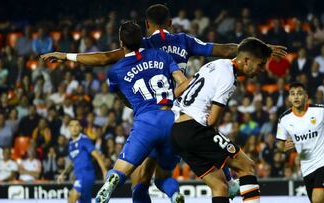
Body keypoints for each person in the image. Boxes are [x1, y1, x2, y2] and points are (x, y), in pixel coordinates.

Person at [41, 4, 286, 201]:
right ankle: (226, 182)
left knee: (141, 178)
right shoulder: (183, 41)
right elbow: (224, 50)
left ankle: (222, 184)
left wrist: (66, 56)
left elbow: (105, 58)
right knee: (200, 147)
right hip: (180, 111)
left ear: (147, 26)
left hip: (150, 113)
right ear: (170, 23)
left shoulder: (144, 46)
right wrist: (260, 50)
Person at [95, 21, 189, 203]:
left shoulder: (115, 71)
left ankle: (111, 182)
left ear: (121, 43)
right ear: (142, 39)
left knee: (125, 171)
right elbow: (183, 82)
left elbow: (125, 99)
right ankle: (175, 195)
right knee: (163, 175)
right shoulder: (161, 55)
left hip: (146, 122)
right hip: (170, 118)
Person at [171, 37, 272, 203]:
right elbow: (211, 121)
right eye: (260, 64)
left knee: (220, 187)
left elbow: (184, 86)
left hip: (176, 131)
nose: (262, 70)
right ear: (246, 60)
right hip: (194, 129)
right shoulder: (229, 78)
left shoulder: (215, 64)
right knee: (246, 166)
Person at [276, 82, 324, 203]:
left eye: (299, 93)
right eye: (292, 94)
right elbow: (280, 144)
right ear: (289, 98)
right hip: (306, 166)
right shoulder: (284, 119)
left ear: (306, 96)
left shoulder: (320, 111)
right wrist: (283, 147)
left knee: (317, 200)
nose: (296, 97)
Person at [57, 119, 107, 203]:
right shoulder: (70, 144)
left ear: (80, 128)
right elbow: (73, 163)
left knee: (72, 196)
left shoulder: (84, 140)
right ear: (69, 128)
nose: (74, 128)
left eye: (77, 125)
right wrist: (63, 174)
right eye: (72, 125)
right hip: (79, 175)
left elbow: (97, 156)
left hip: (86, 175)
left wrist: (104, 171)